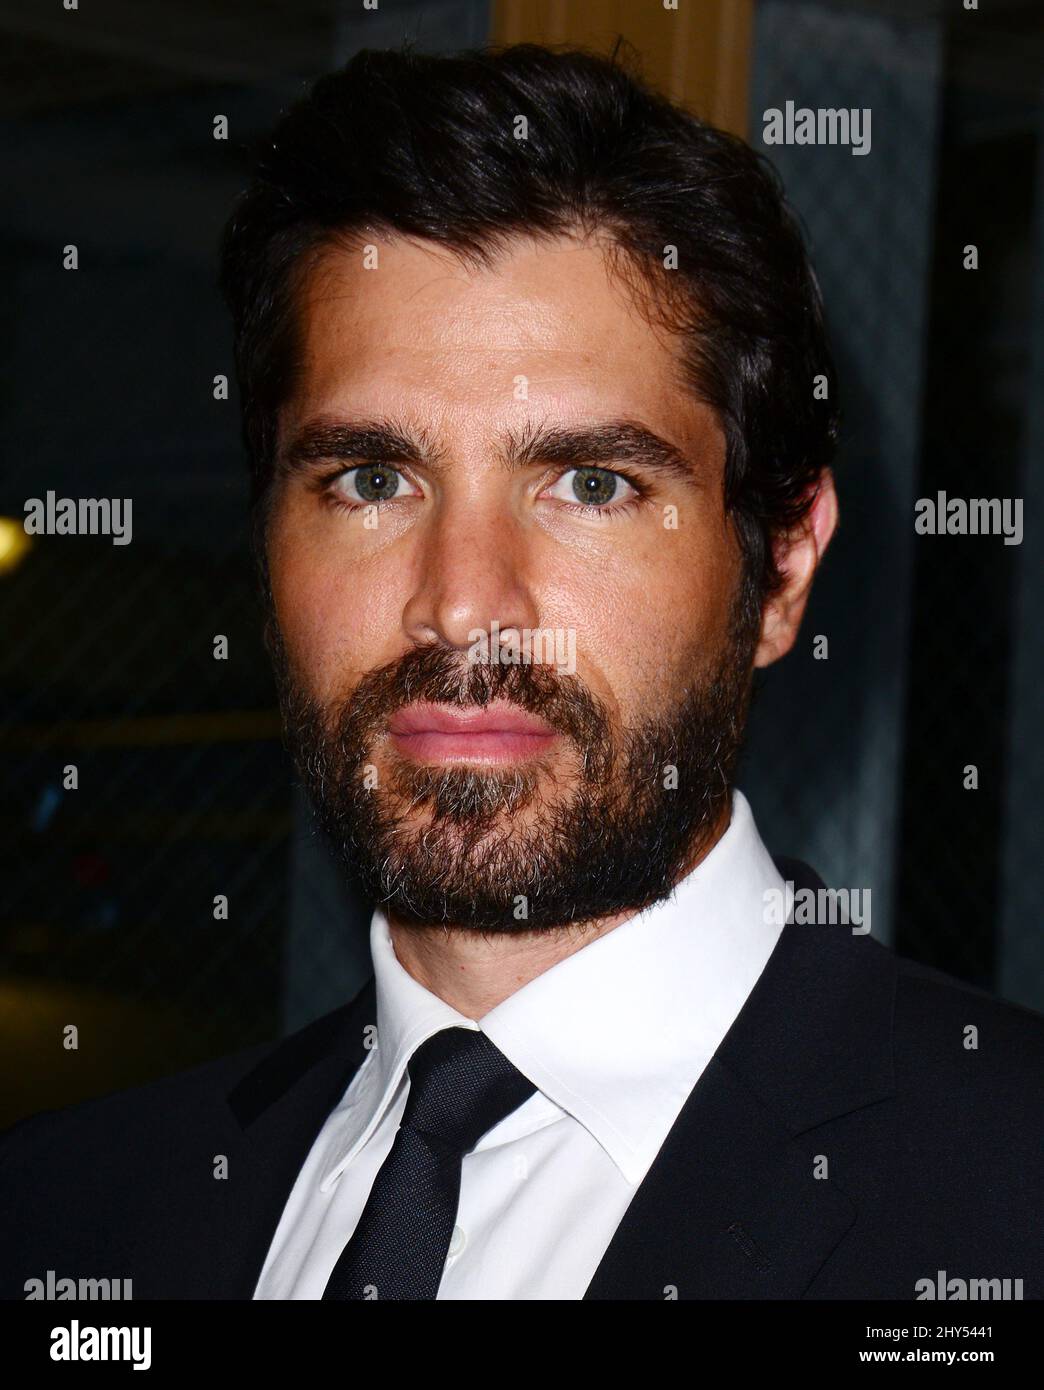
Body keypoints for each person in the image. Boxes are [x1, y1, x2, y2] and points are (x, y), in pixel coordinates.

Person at [3, 43, 1041, 1302]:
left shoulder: (1004, 1195)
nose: (461, 601)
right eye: (373, 480)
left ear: (780, 571)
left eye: (592, 485)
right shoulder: (64, 1218)